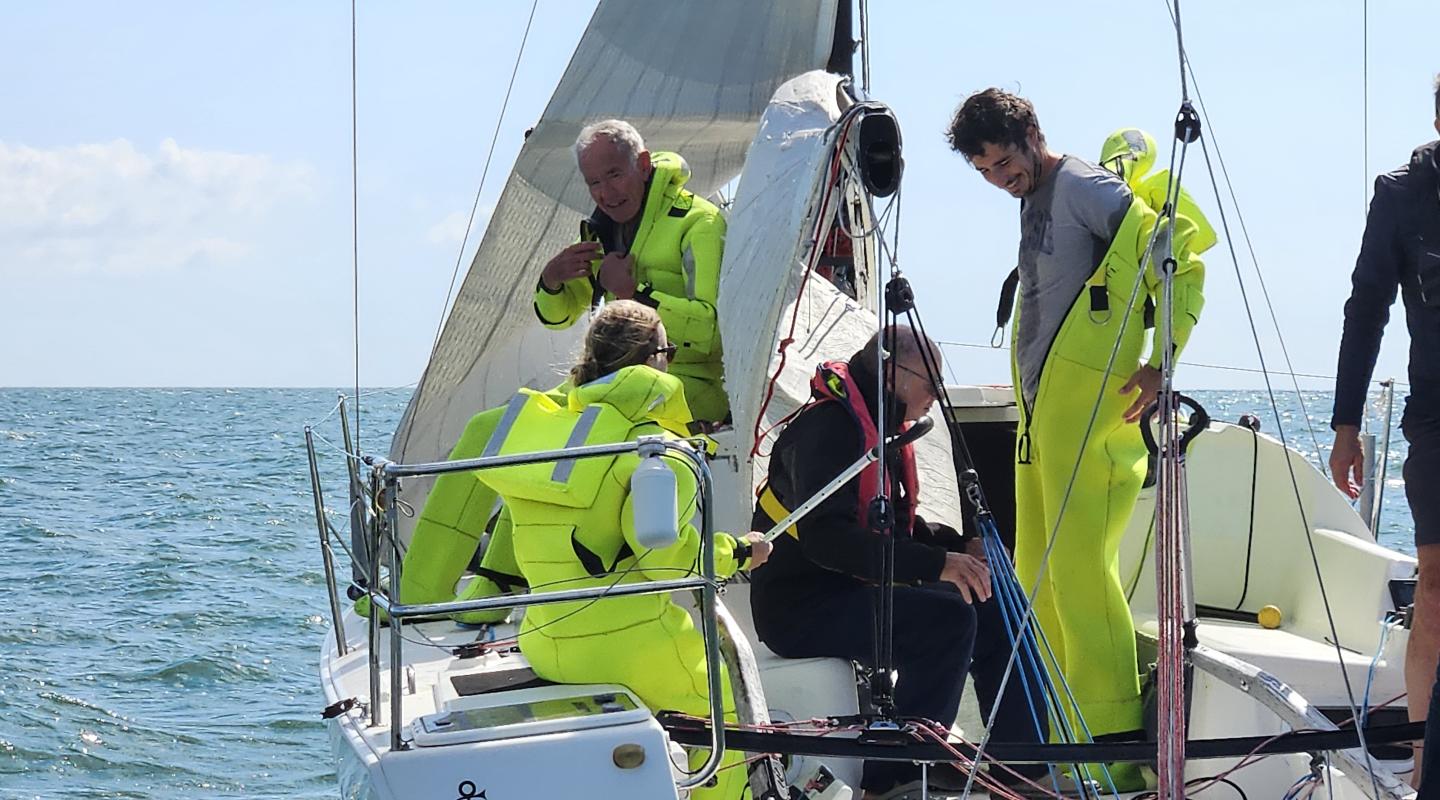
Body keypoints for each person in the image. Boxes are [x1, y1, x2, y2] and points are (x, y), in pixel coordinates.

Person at [946, 88, 1206, 790]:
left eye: (1004, 163)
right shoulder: (1033, 195)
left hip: (1093, 411)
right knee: (1036, 573)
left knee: (1081, 570)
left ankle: (1115, 752)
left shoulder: (1086, 186)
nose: (1001, 180)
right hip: (1044, 419)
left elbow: (1177, 256)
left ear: (1032, 134)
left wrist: (1163, 362)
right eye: (986, 173)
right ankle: (1069, 741)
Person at [477, 300, 770, 800]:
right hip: (623, 649)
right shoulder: (654, 448)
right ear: (654, 360)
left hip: (544, 641)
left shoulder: (555, 433)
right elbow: (666, 565)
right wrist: (739, 552)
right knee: (727, 707)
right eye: (669, 352)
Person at [749, 325, 1057, 800]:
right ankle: (896, 777)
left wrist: (960, 549)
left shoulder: (878, 428)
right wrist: (937, 565)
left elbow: (894, 528)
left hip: (848, 588)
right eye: (930, 383)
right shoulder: (828, 430)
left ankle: (1021, 766)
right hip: (799, 606)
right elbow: (827, 541)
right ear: (892, 374)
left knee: (994, 601)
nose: (936, 394)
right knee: (946, 619)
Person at [1330, 75, 1440, 792]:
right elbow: (1367, 306)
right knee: (1435, 593)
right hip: (1437, 417)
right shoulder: (1401, 195)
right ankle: (1426, 770)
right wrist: (1347, 426)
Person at [535, 119, 729, 423]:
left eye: (614, 175)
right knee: (518, 415)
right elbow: (558, 318)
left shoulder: (700, 223)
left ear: (643, 165)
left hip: (688, 385)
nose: (605, 193)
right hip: (616, 382)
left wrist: (632, 293)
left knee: (583, 422)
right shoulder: (602, 231)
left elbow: (712, 333)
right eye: (594, 183)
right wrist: (551, 280)